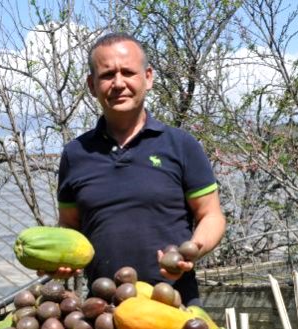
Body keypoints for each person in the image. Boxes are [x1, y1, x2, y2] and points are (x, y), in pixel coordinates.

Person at [54, 32, 226, 306]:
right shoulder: (75, 154)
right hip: (103, 314)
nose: (118, 83)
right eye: (107, 75)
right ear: (92, 84)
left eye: (128, 72)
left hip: (174, 308)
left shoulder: (180, 145)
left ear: (148, 77)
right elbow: (69, 225)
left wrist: (192, 251)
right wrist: (59, 257)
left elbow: (211, 215)